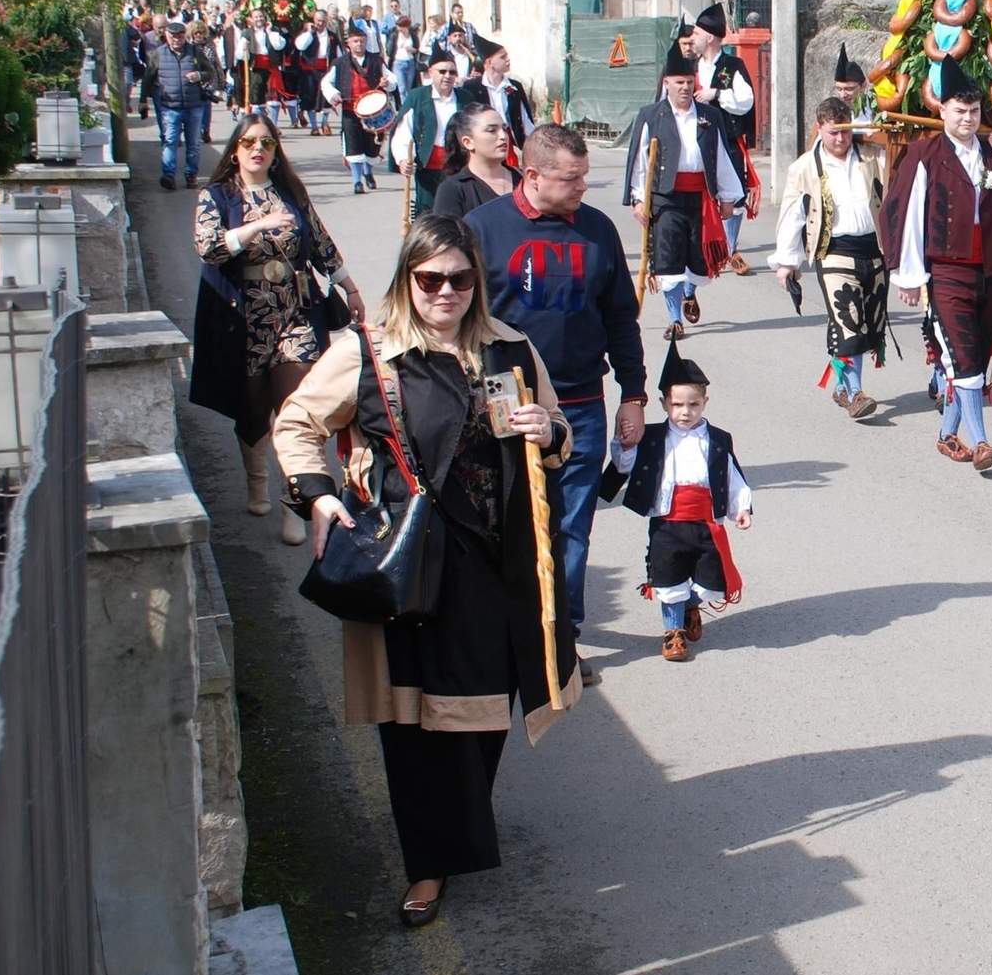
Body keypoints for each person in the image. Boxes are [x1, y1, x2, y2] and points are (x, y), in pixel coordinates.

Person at [271, 215, 577, 929]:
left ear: (477, 278)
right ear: (407, 279)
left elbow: (557, 434)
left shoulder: (509, 347)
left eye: (459, 278)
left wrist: (549, 431)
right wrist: (315, 495)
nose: (445, 291)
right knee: (414, 726)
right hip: (411, 565)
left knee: (478, 714)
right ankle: (430, 862)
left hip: (495, 567)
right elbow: (296, 423)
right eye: (429, 278)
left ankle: (458, 830)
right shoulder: (368, 352)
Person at [466, 125, 647, 685]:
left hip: (582, 404)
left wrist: (634, 396)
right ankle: (502, 632)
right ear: (533, 175)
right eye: (572, 179)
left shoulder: (597, 231)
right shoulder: (481, 230)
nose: (583, 188)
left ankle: (560, 641)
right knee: (505, 524)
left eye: (585, 176)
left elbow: (621, 317)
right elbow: (453, 314)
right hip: (503, 403)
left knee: (571, 527)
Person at [189, 116, 366, 547]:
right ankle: (256, 481)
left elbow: (321, 242)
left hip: (296, 314)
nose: (258, 149)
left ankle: (297, 506)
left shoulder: (291, 193)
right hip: (244, 320)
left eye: (266, 141)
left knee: (294, 412)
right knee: (253, 414)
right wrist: (255, 227)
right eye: (249, 141)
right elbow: (208, 248)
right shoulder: (216, 196)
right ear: (235, 149)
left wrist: (350, 287)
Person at [880, 55, 992, 473]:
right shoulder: (924, 154)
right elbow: (907, 213)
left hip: (989, 270)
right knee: (965, 357)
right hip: (947, 270)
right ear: (942, 109)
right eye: (960, 111)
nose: (969, 119)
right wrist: (910, 274)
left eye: (974, 111)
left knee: (970, 355)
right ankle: (983, 442)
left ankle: (946, 433)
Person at [604, 342, 752, 662]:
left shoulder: (718, 439)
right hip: (667, 525)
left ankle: (690, 608)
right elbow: (625, 464)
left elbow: (732, 476)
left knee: (708, 581)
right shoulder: (654, 436)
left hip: (705, 524)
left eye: (693, 405)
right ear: (664, 403)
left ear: (705, 402)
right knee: (669, 579)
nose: (685, 412)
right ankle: (673, 633)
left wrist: (741, 507)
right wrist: (626, 441)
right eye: (677, 405)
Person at [769, 98, 889, 419]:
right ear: (819, 127)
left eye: (845, 132)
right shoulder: (805, 167)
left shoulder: (873, 155)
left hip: (873, 248)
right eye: (833, 132)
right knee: (848, 319)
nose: (840, 139)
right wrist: (787, 261)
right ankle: (855, 393)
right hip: (833, 249)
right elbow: (793, 215)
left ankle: (841, 386)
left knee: (871, 322)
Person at [624, 48, 746, 341]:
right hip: (665, 196)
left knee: (697, 256)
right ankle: (674, 319)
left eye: (689, 82)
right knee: (668, 257)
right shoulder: (651, 116)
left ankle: (689, 293)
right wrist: (639, 198)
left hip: (700, 197)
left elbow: (721, 157)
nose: (685, 87)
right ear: (666, 82)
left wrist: (727, 196)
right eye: (678, 82)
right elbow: (641, 160)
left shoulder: (709, 115)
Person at [688, 3, 759, 276]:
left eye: (696, 34)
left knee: (735, 193)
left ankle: (730, 248)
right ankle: (703, 246)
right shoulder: (691, 68)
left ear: (710, 37)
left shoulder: (733, 65)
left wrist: (716, 94)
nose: (693, 39)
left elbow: (746, 100)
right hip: (696, 141)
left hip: (726, 139)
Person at [389, 53, 464, 219]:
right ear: (431, 72)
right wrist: (403, 159)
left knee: (457, 213)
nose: (447, 76)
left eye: (452, 72)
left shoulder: (465, 98)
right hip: (428, 169)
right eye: (442, 71)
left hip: (459, 168)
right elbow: (403, 131)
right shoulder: (418, 97)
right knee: (428, 215)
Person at [322, 23, 394, 193]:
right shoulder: (339, 63)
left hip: (373, 112)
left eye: (361, 41)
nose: (359, 44)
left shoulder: (376, 60)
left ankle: (368, 173)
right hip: (350, 110)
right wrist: (334, 94)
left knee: (372, 146)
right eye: (355, 41)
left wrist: (387, 82)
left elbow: (391, 78)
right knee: (353, 146)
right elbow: (326, 82)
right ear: (349, 43)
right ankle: (357, 181)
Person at [145, 18, 212, 189]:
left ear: (185, 36)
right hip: (170, 106)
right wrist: (142, 101)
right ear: (167, 36)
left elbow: (209, 71)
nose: (177, 40)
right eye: (173, 36)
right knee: (170, 142)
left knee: (194, 144)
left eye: (180, 36)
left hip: (194, 105)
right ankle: (169, 176)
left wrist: (199, 76)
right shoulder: (158, 54)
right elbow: (148, 78)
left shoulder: (195, 52)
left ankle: (191, 175)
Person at [431, 105, 520, 219]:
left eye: (504, 129)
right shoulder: (453, 189)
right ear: (468, 142)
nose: (503, 136)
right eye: (491, 130)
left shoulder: (524, 179)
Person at [458, 39, 535, 160]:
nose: (508, 59)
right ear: (490, 62)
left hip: (507, 142)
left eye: (507, 56)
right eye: (502, 57)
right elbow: (465, 118)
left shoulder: (514, 86)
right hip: (482, 144)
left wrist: (533, 141)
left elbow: (524, 119)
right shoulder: (472, 87)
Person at [292, 10, 339, 137]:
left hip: (326, 70)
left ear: (327, 21)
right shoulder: (307, 34)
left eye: (323, 21)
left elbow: (338, 53)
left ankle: (325, 122)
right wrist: (309, 32)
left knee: (325, 98)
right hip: (309, 70)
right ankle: (314, 126)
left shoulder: (332, 36)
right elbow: (300, 46)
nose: (320, 23)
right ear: (314, 20)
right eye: (318, 20)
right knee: (310, 97)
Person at [237, 9, 289, 117]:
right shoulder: (247, 33)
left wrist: (269, 31)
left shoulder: (273, 30)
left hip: (271, 67)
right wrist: (243, 48)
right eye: (256, 17)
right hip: (255, 67)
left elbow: (279, 45)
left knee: (273, 96)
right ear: (251, 19)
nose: (259, 19)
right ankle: (258, 120)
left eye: (261, 16)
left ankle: (272, 125)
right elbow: (239, 55)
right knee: (256, 95)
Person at [387, 14, 421, 104]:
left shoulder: (413, 35)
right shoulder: (394, 35)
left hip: (410, 62)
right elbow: (389, 51)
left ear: (406, 27)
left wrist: (412, 50)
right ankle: (404, 109)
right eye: (398, 26)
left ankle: (409, 107)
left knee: (409, 89)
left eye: (401, 26)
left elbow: (417, 49)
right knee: (402, 89)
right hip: (398, 63)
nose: (399, 28)